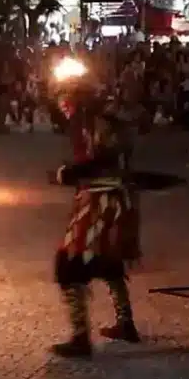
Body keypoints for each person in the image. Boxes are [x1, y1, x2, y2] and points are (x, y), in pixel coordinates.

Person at [46, 86, 142, 358]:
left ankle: (80, 337)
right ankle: (126, 323)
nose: (63, 107)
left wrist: (71, 172)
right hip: (107, 197)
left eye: (66, 101)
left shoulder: (97, 122)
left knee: (69, 263)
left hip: (104, 201)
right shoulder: (92, 121)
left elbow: (103, 158)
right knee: (109, 261)